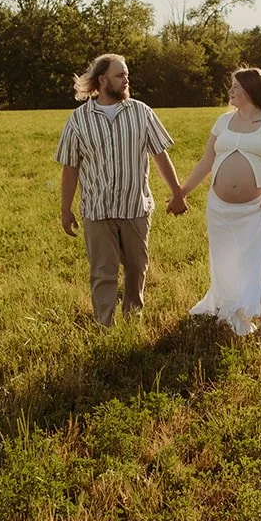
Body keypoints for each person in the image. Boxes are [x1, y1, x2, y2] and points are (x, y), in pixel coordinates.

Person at [55, 53, 186, 327]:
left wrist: (177, 193)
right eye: (120, 75)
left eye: (126, 75)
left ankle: (132, 321)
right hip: (97, 210)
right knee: (103, 273)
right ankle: (104, 325)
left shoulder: (142, 112)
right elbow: (70, 168)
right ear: (102, 80)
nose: (126, 80)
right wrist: (65, 210)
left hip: (135, 207)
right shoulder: (79, 120)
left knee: (137, 268)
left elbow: (160, 156)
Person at [176, 67, 261, 344]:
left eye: (235, 86)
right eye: (231, 86)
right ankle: (232, 311)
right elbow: (206, 162)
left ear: (250, 89)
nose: (230, 91)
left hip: (259, 207)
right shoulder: (222, 122)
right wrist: (181, 192)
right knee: (226, 262)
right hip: (220, 209)